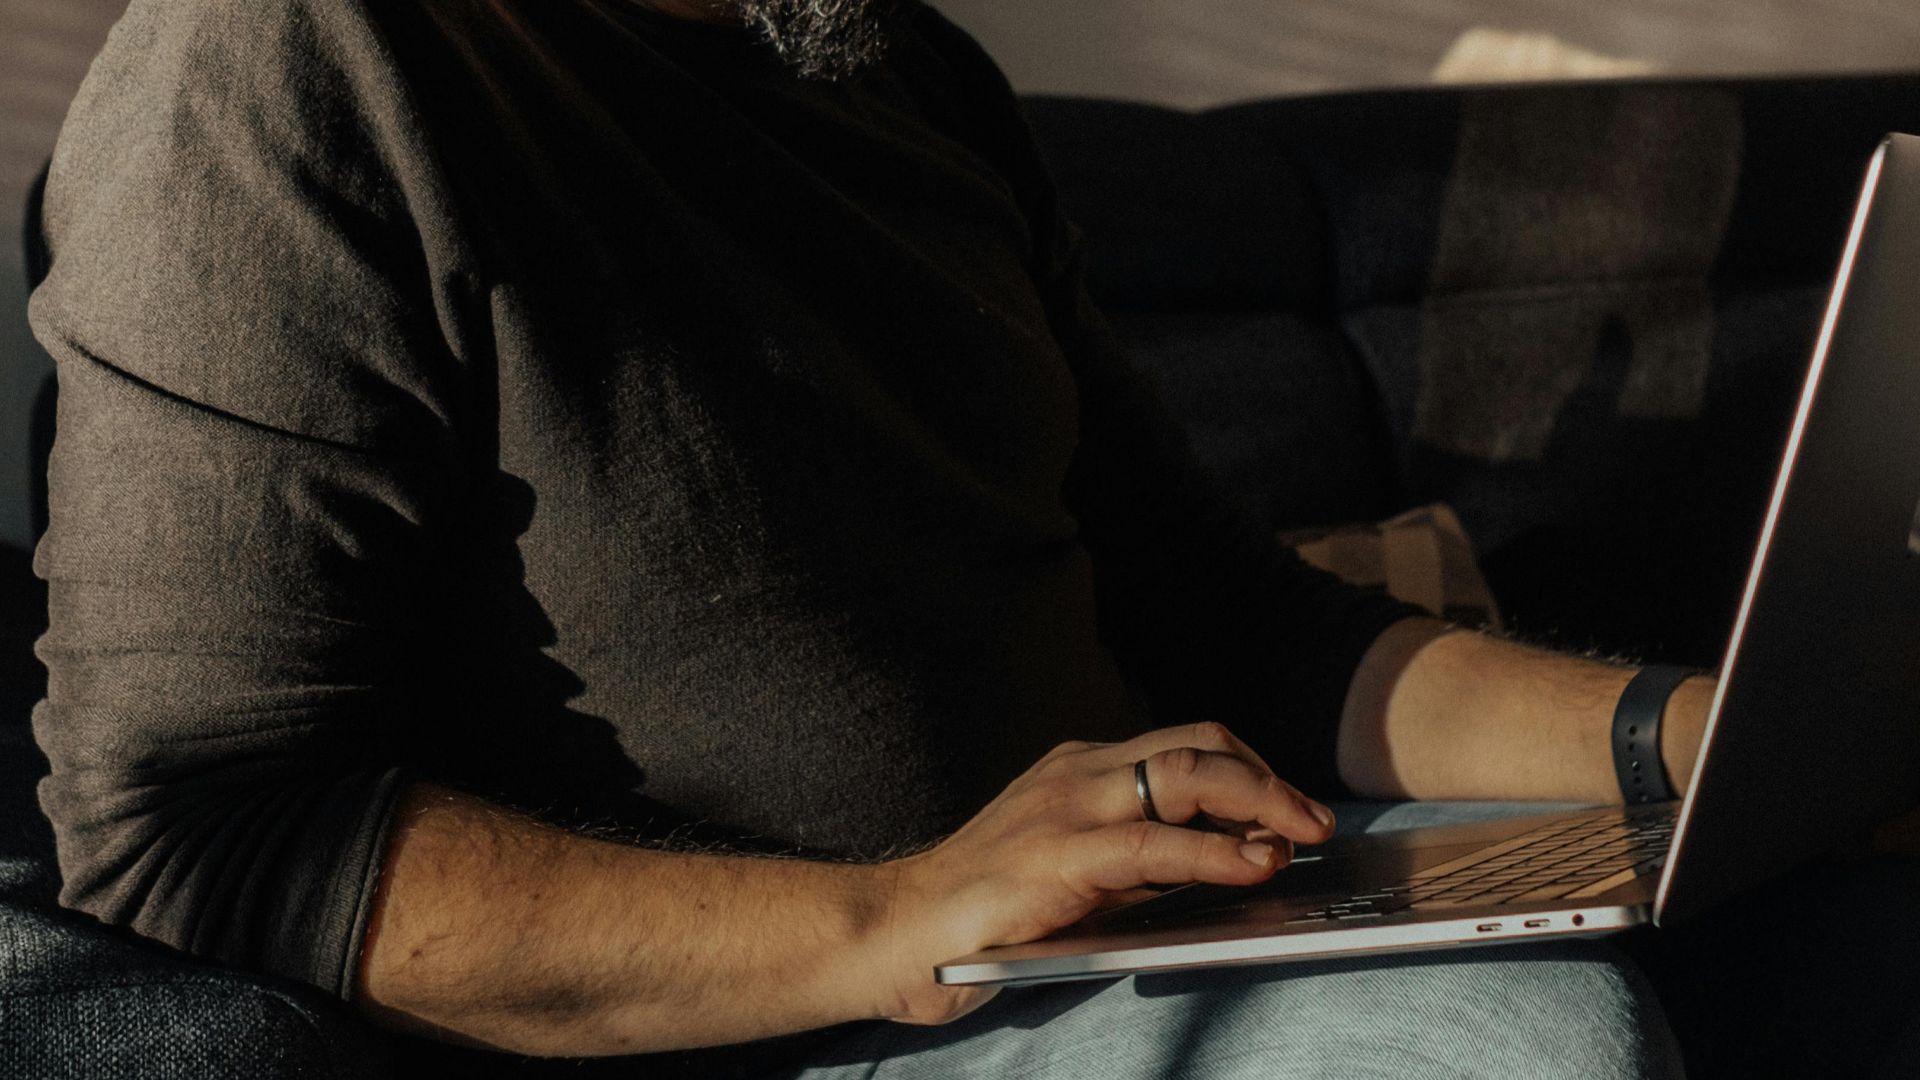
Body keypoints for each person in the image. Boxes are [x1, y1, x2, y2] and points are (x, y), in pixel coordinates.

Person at [26, 0, 1759, 1076]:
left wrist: (1700, 734)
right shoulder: (284, 62)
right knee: (1511, 1047)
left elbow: (1235, 624)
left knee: (1845, 925)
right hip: (796, 1020)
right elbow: (199, 831)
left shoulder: (903, 67)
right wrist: (899, 918)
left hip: (1131, 923)